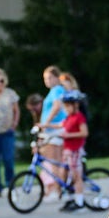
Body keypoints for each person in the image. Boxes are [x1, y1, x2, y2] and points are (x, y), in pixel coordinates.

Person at [37, 65, 67, 194]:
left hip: (54, 130)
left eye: (49, 77)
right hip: (52, 130)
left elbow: (56, 107)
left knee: (55, 162)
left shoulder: (57, 90)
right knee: (55, 162)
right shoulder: (54, 91)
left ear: (56, 77)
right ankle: (57, 188)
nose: (47, 80)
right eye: (45, 78)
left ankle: (57, 189)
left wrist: (46, 123)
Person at [58, 91, 88, 213]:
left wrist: (69, 135)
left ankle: (80, 203)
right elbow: (59, 126)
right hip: (67, 150)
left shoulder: (79, 117)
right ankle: (71, 199)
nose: (65, 108)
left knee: (76, 176)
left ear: (75, 105)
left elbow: (84, 133)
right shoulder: (69, 118)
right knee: (64, 173)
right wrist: (44, 126)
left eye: (67, 106)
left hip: (75, 150)